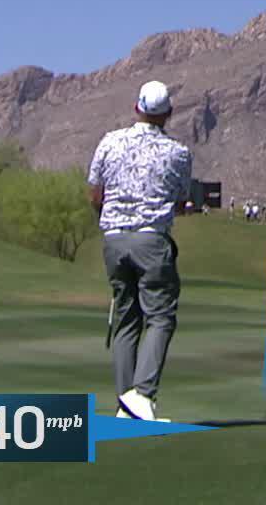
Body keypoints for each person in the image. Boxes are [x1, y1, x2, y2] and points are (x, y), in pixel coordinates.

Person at [88, 80, 192, 423]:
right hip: (151, 241)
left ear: (137, 108)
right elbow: (179, 201)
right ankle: (142, 394)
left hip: (114, 240)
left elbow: (95, 194)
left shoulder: (109, 141)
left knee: (125, 319)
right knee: (160, 317)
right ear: (168, 114)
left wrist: (109, 223)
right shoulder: (178, 153)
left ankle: (124, 405)